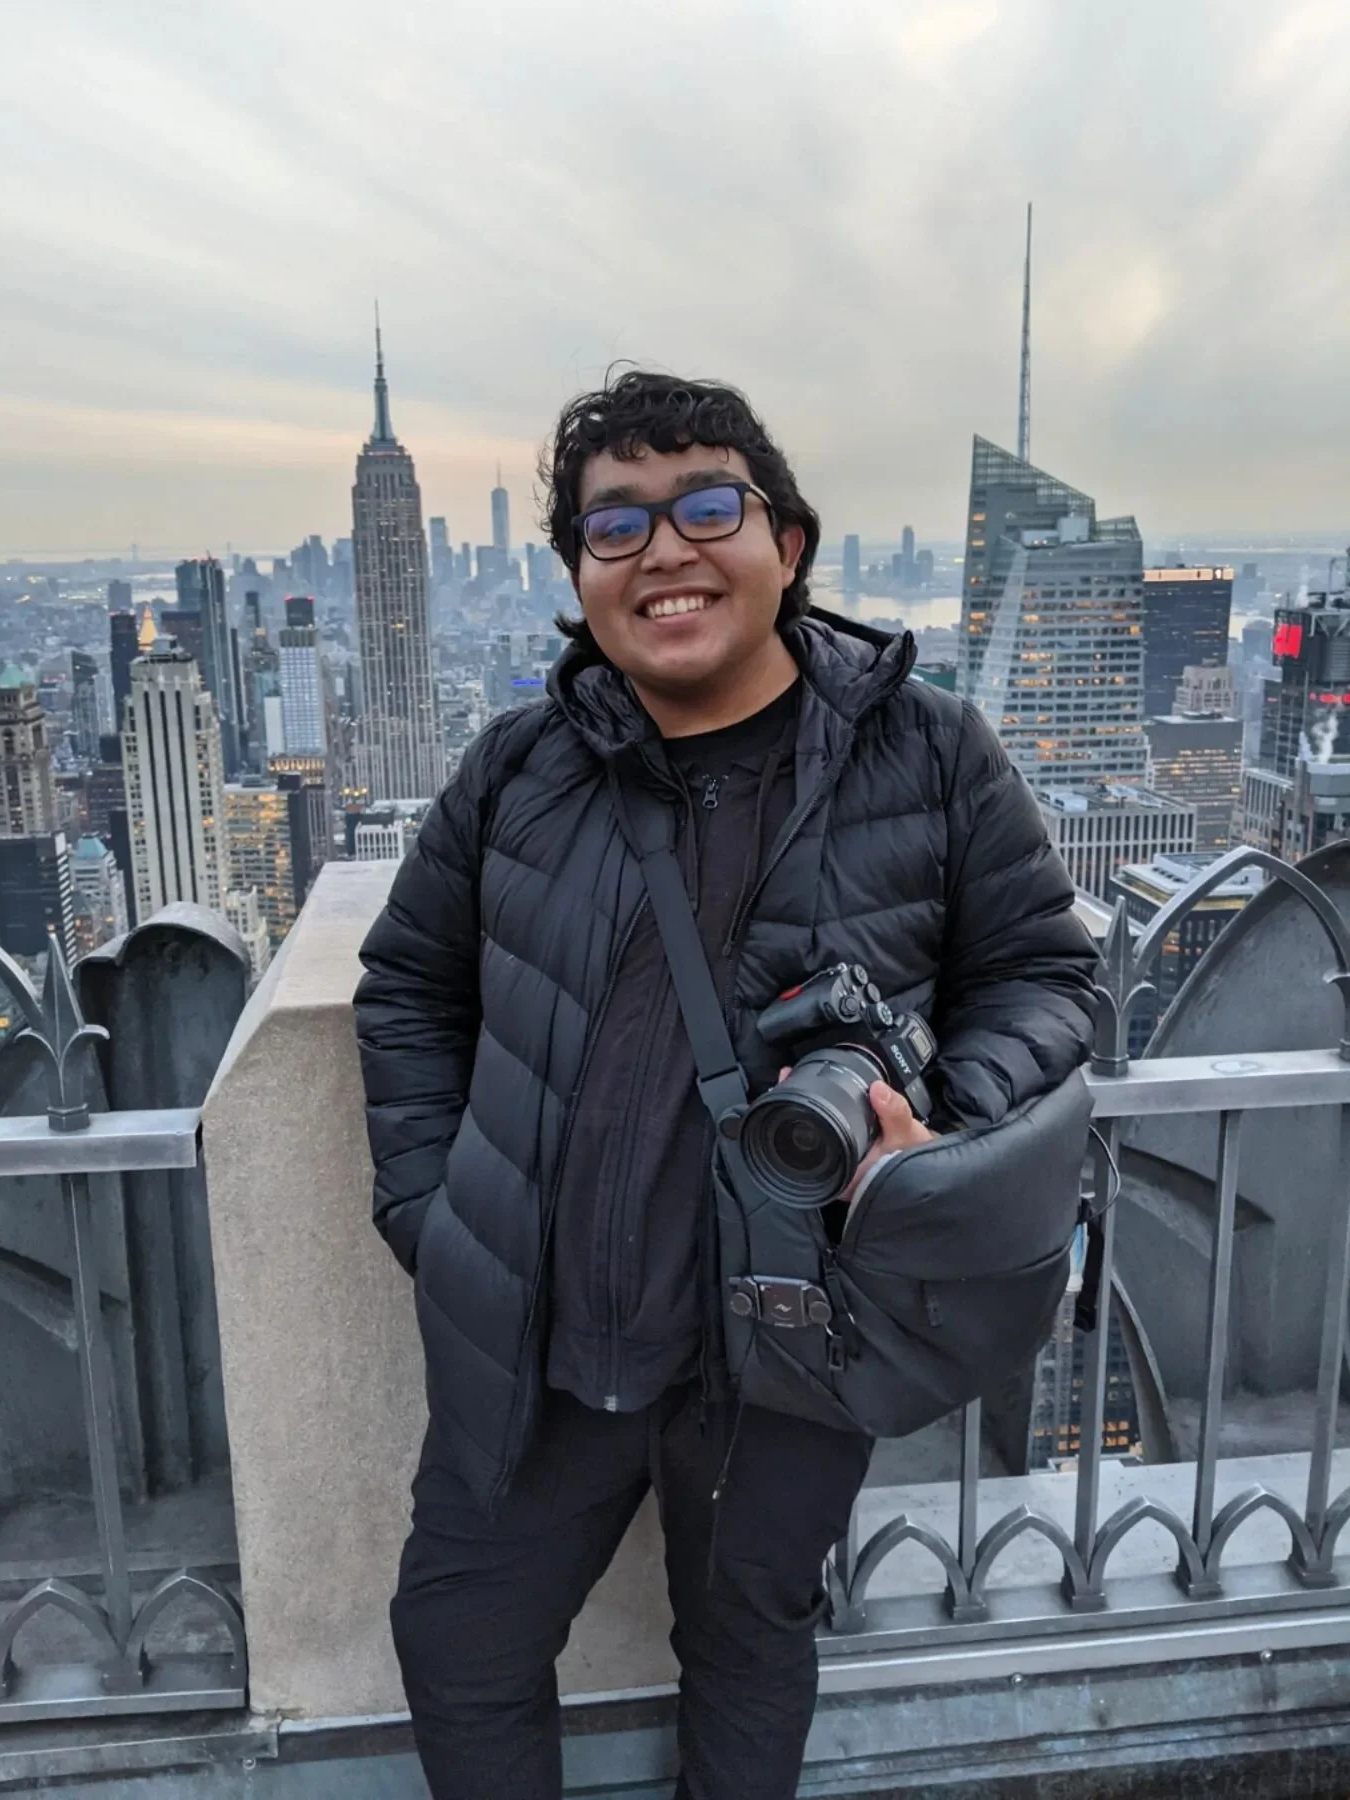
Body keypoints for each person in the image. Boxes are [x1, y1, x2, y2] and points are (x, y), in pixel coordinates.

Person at [354, 370, 1099, 1800]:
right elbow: (407, 988)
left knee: (748, 1639)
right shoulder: (519, 766)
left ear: (789, 544)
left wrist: (933, 1122)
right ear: (576, 576)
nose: (665, 551)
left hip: (788, 1333)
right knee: (458, 1636)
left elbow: (1048, 980)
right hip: (544, 1336)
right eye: (613, 525)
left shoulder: (930, 754)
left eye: (708, 506)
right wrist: (429, 1210)